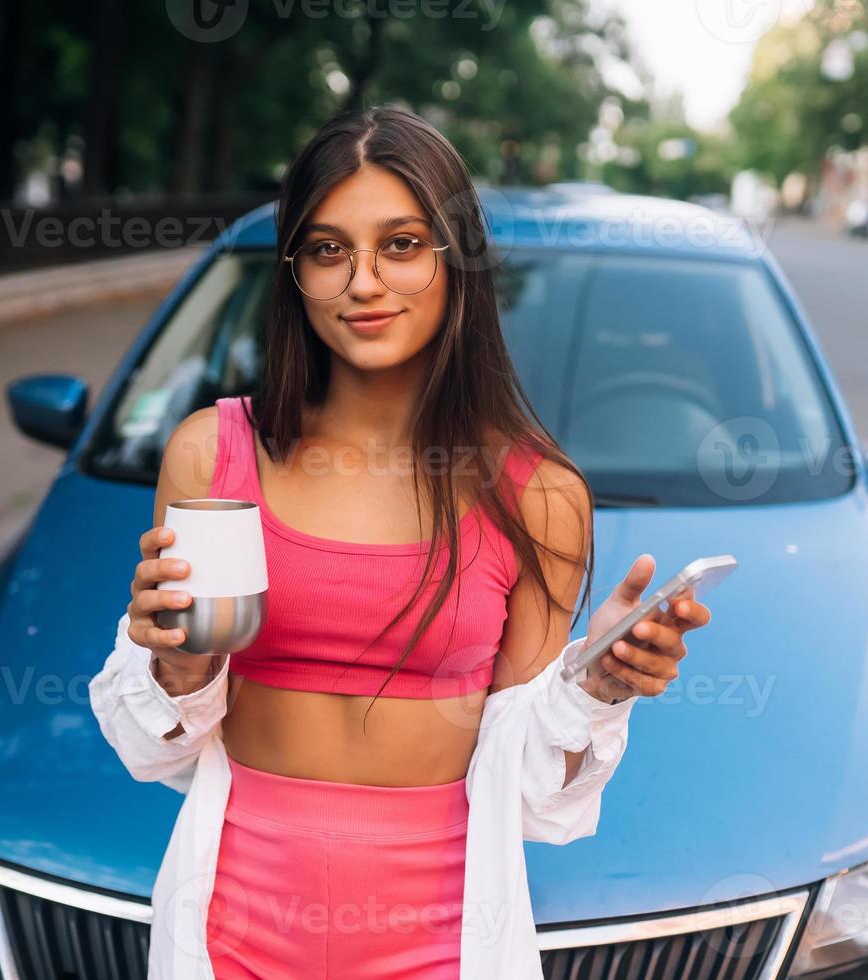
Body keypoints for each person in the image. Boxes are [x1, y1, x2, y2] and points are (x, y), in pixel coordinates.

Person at [89, 103, 714, 979]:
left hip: (443, 941)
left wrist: (595, 688)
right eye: (327, 249)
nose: (363, 283)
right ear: (295, 272)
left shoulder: (539, 498)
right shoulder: (213, 454)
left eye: (402, 244)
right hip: (227, 926)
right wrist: (175, 667)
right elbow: (150, 749)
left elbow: (531, 791)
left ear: (456, 260)